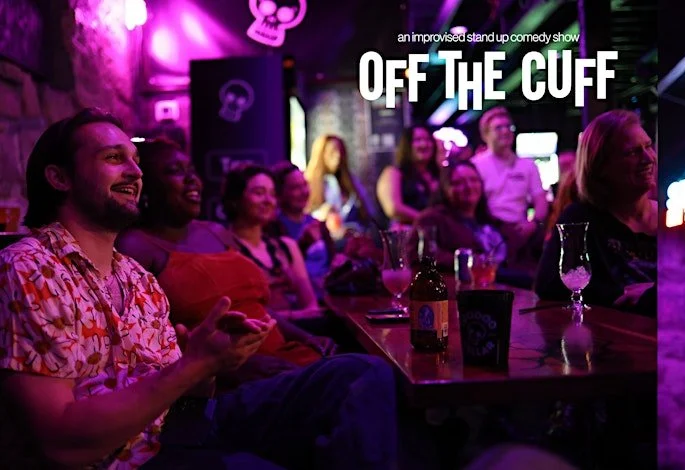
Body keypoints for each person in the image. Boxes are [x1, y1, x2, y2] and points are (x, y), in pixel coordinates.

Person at [0, 108, 397, 469]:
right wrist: (194, 366)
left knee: (362, 373)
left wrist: (211, 360)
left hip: (186, 426)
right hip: (130, 459)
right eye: (113, 158)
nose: (136, 174)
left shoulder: (138, 279)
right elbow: (61, 442)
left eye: (136, 162)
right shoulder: (29, 268)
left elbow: (188, 398)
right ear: (59, 177)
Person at [117, 139, 334, 389]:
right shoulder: (135, 246)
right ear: (146, 184)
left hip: (284, 357)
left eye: (191, 171)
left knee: (366, 367)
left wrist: (308, 337)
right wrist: (226, 369)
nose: (192, 180)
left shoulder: (216, 232)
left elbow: (257, 309)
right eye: (176, 171)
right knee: (364, 374)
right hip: (231, 381)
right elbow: (143, 345)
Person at [534, 110, 657, 314]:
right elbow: (549, 286)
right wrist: (626, 296)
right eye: (632, 152)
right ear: (600, 166)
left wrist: (651, 294)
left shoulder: (670, 219)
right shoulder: (580, 218)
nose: (648, 158)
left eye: (648, 146)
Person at [222, 162, 325, 318]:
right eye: (259, 192)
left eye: (272, 193)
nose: (268, 200)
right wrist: (294, 316)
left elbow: (311, 306)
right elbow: (242, 315)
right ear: (236, 198)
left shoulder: (287, 247)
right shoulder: (223, 249)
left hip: (302, 330)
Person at [411, 161, 509, 271]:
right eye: (458, 182)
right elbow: (420, 255)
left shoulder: (486, 218)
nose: (469, 186)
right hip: (466, 283)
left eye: (473, 180)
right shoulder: (432, 219)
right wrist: (468, 260)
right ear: (445, 189)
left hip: (505, 277)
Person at [471, 107, 548, 244]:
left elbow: (541, 200)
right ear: (485, 135)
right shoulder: (475, 165)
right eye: (498, 128)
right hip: (487, 231)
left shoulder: (528, 165)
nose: (505, 131)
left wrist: (533, 223)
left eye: (509, 127)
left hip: (520, 230)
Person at [304, 134, 378, 240]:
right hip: (324, 241)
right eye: (333, 151)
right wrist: (322, 213)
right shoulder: (309, 183)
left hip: (352, 240)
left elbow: (368, 214)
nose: (338, 155)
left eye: (341, 151)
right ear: (321, 154)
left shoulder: (352, 182)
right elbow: (303, 217)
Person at [270, 161, 333, 281]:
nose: (304, 192)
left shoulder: (317, 224)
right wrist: (304, 244)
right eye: (295, 187)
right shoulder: (272, 227)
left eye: (304, 185)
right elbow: (280, 271)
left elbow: (332, 264)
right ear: (279, 193)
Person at [376, 125, 441, 225]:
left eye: (428, 139)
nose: (424, 144)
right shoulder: (393, 173)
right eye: (417, 140)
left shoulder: (438, 174)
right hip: (404, 235)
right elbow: (394, 209)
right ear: (407, 145)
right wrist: (428, 221)